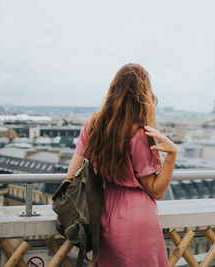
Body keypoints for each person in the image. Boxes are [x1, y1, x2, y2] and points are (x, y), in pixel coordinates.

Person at [66, 63, 177, 266]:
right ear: (143, 95)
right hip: (138, 216)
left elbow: (71, 175)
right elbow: (156, 190)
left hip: (106, 213)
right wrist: (171, 155)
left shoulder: (93, 125)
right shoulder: (139, 134)